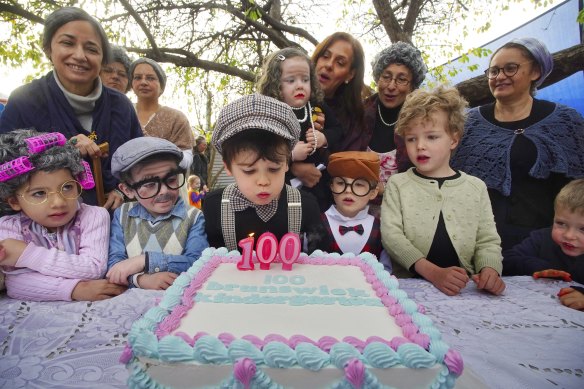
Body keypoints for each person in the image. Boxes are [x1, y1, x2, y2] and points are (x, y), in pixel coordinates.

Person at [0, 7, 142, 210]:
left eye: (92, 49)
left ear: (102, 59)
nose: (80, 55)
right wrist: (61, 148)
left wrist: (123, 189)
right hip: (44, 231)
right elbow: (6, 166)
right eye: (67, 43)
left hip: (113, 227)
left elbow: (140, 164)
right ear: (49, 48)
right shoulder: (24, 100)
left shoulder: (121, 105)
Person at [451, 37, 584, 251]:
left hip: (544, 246)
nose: (500, 76)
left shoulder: (565, 121)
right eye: (494, 71)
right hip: (477, 243)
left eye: (510, 68)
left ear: (535, 72)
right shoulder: (468, 122)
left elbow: (578, 191)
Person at [381, 86, 505, 296]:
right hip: (409, 289)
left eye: (431, 137)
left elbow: (487, 239)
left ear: (453, 139)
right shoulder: (398, 184)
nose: (420, 145)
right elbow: (392, 237)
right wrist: (432, 272)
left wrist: (490, 269)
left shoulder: (475, 187)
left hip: (465, 291)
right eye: (411, 139)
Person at [0, 129, 125, 301]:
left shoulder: (94, 216)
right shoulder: (8, 227)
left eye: (67, 187)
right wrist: (74, 289)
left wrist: (26, 254)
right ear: (14, 201)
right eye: (39, 193)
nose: (59, 202)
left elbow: (93, 268)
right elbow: (14, 284)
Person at [202, 94, 330, 253]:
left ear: (286, 163)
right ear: (228, 166)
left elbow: (322, 260)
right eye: (249, 170)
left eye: (273, 168)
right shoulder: (214, 207)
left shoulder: (306, 206)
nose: (263, 181)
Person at [106, 137, 208, 290]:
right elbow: (115, 268)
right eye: (150, 184)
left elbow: (199, 264)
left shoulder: (193, 217)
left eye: (171, 180)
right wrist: (141, 280)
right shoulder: (122, 216)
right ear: (128, 190)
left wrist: (146, 261)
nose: (164, 191)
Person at [256, 47, 342, 210]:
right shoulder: (270, 112)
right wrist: (290, 154)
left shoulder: (317, 106)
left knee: (318, 220)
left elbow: (338, 130)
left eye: (305, 79)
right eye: (291, 80)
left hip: (318, 182)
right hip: (282, 184)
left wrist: (324, 138)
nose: (300, 86)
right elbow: (260, 150)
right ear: (276, 84)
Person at [291, 32, 367, 191]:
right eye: (325, 56)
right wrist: (292, 166)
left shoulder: (355, 118)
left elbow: (346, 168)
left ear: (350, 74)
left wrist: (323, 140)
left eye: (340, 62)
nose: (329, 65)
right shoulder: (285, 96)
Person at [503, 179, 584, 310]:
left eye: (583, 229)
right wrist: (539, 267)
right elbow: (507, 260)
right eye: (561, 223)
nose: (569, 235)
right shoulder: (542, 238)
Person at [364, 42, 428, 183]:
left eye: (401, 79)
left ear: (412, 86)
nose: (391, 86)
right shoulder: (358, 114)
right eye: (386, 77)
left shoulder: (422, 121)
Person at [322, 151, 391, 271]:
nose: (348, 190)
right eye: (341, 183)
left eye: (358, 184)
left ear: (373, 193)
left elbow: (385, 272)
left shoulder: (381, 229)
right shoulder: (317, 223)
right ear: (332, 186)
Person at [130, 58, 194, 170]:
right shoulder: (123, 112)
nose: (143, 82)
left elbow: (187, 158)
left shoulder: (176, 118)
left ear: (161, 85)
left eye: (150, 78)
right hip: (126, 184)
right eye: (138, 77)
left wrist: (162, 155)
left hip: (167, 183)